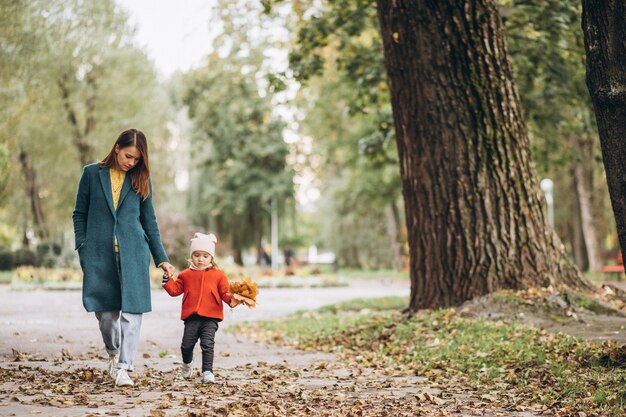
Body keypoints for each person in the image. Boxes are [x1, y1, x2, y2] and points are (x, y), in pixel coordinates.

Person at [72, 128, 175, 387]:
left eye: (137, 159)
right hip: (99, 254)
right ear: (117, 147)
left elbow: (149, 221)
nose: (131, 162)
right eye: (128, 156)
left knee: (132, 313)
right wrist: (83, 246)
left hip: (134, 255)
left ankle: (124, 368)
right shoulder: (91, 174)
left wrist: (161, 258)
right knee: (107, 316)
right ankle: (112, 352)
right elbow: (79, 214)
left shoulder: (141, 180)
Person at [162, 232, 238, 383]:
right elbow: (175, 290)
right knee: (186, 345)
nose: (201, 259)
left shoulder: (219, 275)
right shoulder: (185, 275)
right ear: (192, 256)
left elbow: (225, 293)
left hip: (211, 316)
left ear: (211, 258)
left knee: (207, 344)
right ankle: (187, 363)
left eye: (205, 256)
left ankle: (207, 371)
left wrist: (234, 300)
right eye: (197, 255)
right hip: (192, 316)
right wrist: (167, 279)